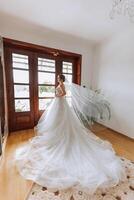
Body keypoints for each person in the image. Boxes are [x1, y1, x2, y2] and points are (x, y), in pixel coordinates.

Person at [15, 74, 126, 195]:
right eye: (57, 78)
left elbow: (64, 94)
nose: (57, 79)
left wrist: (57, 95)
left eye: (59, 78)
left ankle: (63, 137)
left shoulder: (62, 85)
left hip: (61, 105)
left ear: (61, 79)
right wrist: (56, 95)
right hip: (58, 105)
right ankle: (57, 136)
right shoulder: (60, 84)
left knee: (62, 122)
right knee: (56, 122)